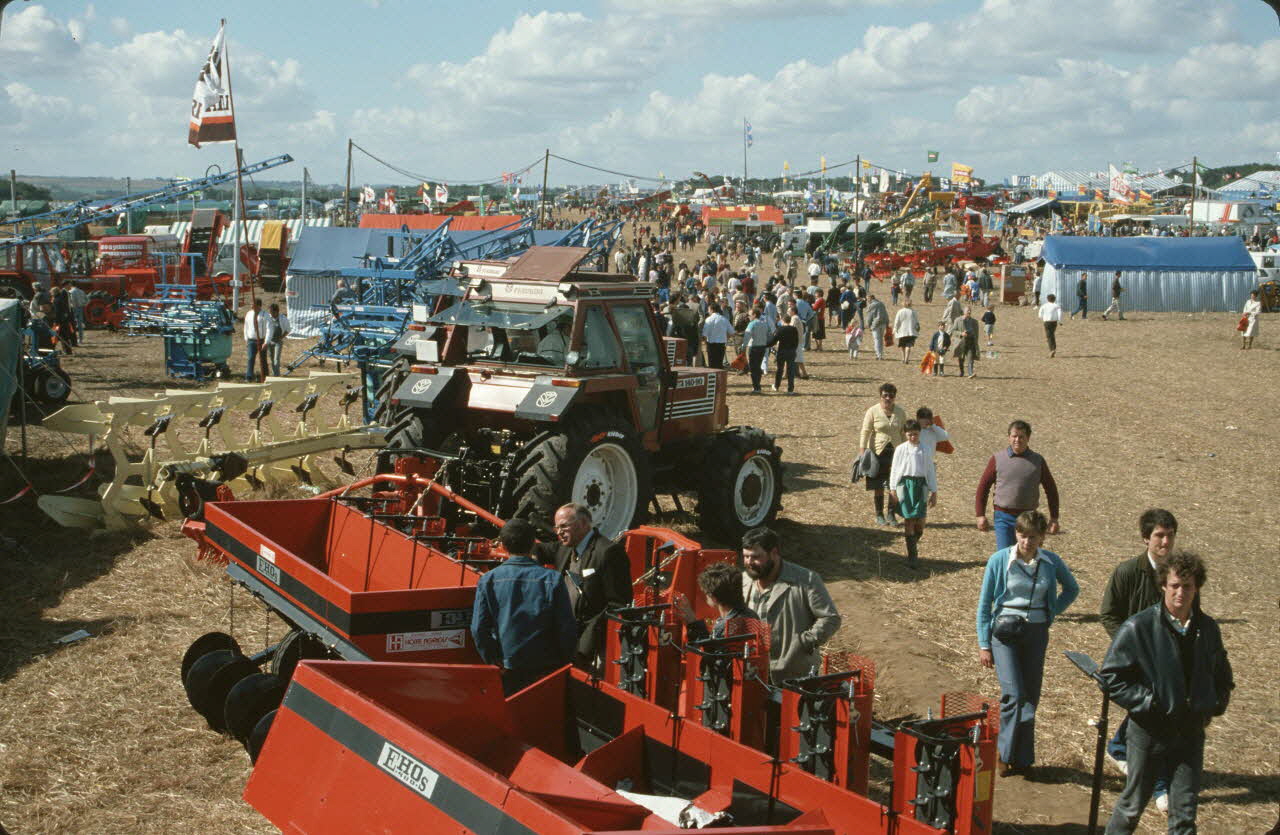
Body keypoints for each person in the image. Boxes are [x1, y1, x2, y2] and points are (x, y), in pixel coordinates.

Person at [1100, 551, 1233, 833]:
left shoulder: (1208, 629)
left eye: (1187, 586)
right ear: (1163, 586)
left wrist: (1214, 703)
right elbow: (1111, 677)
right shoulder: (1139, 627)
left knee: (1183, 812)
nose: (1180, 593)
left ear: (1197, 587)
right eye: (1174, 586)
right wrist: (1150, 703)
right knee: (1132, 805)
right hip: (1149, 733)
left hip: (1190, 733)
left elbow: (1222, 672)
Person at [975, 510, 1080, 776]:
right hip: (1005, 633)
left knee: (1031, 696)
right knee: (1014, 694)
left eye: (1033, 537)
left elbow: (1072, 588)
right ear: (1016, 534)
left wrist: (1051, 612)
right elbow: (985, 604)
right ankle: (1004, 752)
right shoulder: (999, 561)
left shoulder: (1051, 562)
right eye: (1022, 536)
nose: (1027, 542)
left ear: (1042, 538)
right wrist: (984, 643)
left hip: (1036, 632)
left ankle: (1023, 758)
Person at [1099, 508, 1180, 809]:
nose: (1165, 542)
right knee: (1155, 715)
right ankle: (1159, 786)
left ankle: (1119, 747)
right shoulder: (1127, 572)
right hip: (1135, 660)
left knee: (1155, 714)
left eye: (1170, 535)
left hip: (1168, 660)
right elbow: (1108, 614)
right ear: (1146, 538)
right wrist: (1129, 648)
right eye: (1159, 535)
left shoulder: (1179, 574)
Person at [470, 519, 577, 696]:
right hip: (546, 668)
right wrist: (562, 662)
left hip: (508, 666)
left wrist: (494, 660)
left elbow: (478, 629)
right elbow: (566, 627)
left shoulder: (488, 580)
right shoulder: (552, 579)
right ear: (533, 544)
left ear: (503, 546)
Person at [533, 503, 632, 669]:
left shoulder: (608, 553)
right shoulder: (564, 548)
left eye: (564, 526)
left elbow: (618, 604)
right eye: (556, 527)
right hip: (564, 636)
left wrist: (586, 646)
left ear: (584, 524)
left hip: (590, 646)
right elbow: (538, 549)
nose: (558, 532)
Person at [740, 526, 841, 684]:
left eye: (755, 557)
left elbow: (830, 618)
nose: (749, 563)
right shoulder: (744, 580)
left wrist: (804, 642)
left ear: (774, 553)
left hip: (793, 675)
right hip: (754, 673)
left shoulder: (806, 580)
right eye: (745, 557)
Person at [975, 420, 1061, 550]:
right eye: (1014, 436)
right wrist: (980, 515)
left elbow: (1051, 490)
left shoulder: (1037, 461)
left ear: (1028, 438)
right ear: (1009, 437)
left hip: (1030, 519)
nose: (1017, 440)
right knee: (1005, 555)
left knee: (1029, 556)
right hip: (1004, 517)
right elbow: (983, 487)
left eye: (1021, 437)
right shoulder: (998, 459)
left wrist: (1054, 518)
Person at [888, 420, 937, 569]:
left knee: (920, 521)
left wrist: (934, 491)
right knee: (909, 519)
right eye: (909, 435)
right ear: (905, 434)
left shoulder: (926, 449)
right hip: (905, 485)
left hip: (921, 485)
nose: (913, 437)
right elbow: (895, 469)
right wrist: (893, 489)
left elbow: (930, 470)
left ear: (919, 433)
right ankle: (912, 556)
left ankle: (913, 542)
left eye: (915, 434)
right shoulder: (901, 449)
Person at [858, 382, 907, 526]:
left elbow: (903, 433)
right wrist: (862, 451)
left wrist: (906, 450)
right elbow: (865, 431)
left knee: (894, 485)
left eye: (891, 396)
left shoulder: (900, 412)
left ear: (894, 397)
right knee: (878, 486)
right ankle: (879, 515)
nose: (888, 398)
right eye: (885, 395)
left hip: (896, 453)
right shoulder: (872, 411)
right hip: (878, 453)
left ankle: (891, 515)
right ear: (880, 396)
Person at [673, 562, 759, 641]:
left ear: (713, 597)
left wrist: (692, 623)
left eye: (706, 593)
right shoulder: (752, 615)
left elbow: (709, 653)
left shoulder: (723, 628)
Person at [767, 314, 800, 394]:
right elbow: (796, 341)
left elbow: (773, 341)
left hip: (782, 351)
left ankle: (776, 385)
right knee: (790, 370)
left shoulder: (780, 329)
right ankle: (790, 389)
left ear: (782, 321)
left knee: (780, 369)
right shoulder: (794, 329)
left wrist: (766, 345)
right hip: (791, 351)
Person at [742, 306, 770, 394]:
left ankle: (756, 386)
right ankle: (758, 385)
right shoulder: (764, 323)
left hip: (754, 347)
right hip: (762, 347)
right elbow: (768, 334)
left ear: (754, 315)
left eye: (750, 315)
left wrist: (743, 346)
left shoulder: (752, 324)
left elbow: (747, 336)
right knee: (758, 367)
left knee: (754, 368)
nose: (749, 317)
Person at [701, 301, 733, 369]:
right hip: (721, 344)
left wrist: (704, 342)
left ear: (712, 309)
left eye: (709, 309)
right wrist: (726, 338)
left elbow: (704, 334)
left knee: (712, 364)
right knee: (719, 363)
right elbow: (732, 332)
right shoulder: (724, 319)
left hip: (711, 344)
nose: (708, 311)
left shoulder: (708, 320)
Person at [243, 297, 268, 381]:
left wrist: (266, 341)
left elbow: (269, 329)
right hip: (251, 340)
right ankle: (249, 376)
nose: (251, 306)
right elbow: (246, 327)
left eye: (253, 304)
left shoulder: (265, 315)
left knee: (263, 359)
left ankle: (265, 376)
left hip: (261, 340)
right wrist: (246, 338)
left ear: (258, 305)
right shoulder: (249, 314)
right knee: (250, 358)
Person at [952, 306, 980, 378]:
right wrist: (961, 333)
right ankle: (962, 371)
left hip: (970, 342)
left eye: (970, 311)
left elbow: (976, 334)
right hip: (961, 342)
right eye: (968, 311)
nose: (969, 312)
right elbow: (953, 331)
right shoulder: (958, 320)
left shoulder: (974, 322)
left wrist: (976, 342)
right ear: (964, 311)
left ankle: (970, 373)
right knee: (961, 358)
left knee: (970, 358)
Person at [266, 302, 290, 377]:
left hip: (278, 342)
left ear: (276, 311)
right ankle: (274, 373)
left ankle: (277, 375)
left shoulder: (283, 318)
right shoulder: (269, 318)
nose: (271, 313)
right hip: (270, 341)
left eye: (272, 312)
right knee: (272, 358)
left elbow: (287, 330)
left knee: (276, 358)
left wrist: (281, 337)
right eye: (270, 312)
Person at [893, 299, 920, 364]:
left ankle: (903, 358)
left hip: (902, 332)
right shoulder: (913, 312)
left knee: (902, 346)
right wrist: (917, 329)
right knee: (909, 345)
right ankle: (906, 359)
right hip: (911, 331)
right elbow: (917, 322)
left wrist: (895, 329)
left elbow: (897, 321)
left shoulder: (900, 311)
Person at [864, 293, 889, 360]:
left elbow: (869, 317)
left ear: (870, 298)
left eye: (867, 299)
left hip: (875, 324)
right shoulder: (881, 303)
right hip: (883, 323)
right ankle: (881, 354)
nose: (867, 300)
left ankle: (878, 355)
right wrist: (887, 323)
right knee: (880, 339)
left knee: (877, 340)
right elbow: (885, 314)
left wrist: (869, 325)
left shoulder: (872, 305)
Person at [1038, 293, 1062, 357]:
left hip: (1047, 322)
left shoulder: (1044, 306)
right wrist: (1060, 321)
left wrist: (1043, 318)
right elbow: (1059, 314)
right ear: (1054, 299)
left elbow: (1040, 315)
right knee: (1051, 334)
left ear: (1047, 299)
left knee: (1049, 336)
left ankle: (1052, 349)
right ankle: (1052, 348)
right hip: (1054, 322)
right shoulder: (1057, 306)